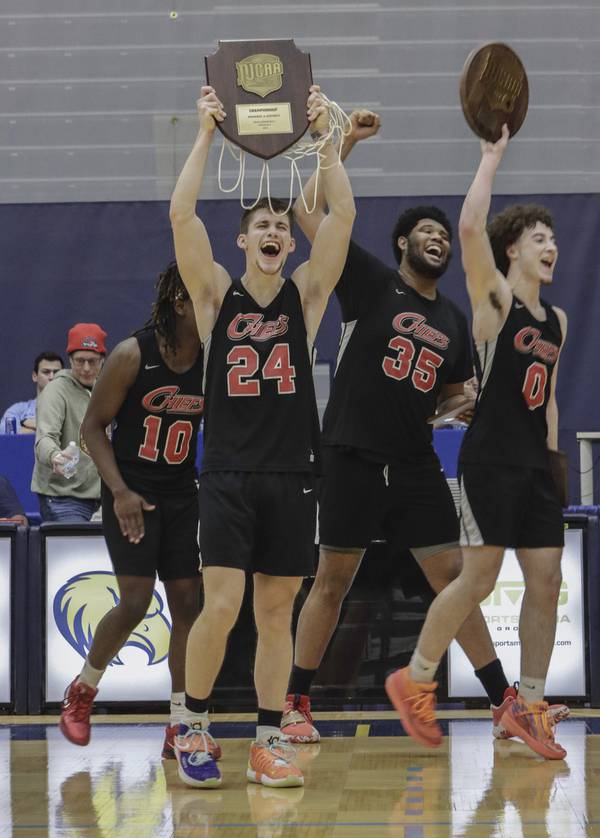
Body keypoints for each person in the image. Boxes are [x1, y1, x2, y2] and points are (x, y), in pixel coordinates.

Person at [281, 109, 519, 745]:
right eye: (425, 231)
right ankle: (296, 703)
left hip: (414, 462)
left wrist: (457, 408)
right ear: (402, 246)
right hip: (352, 453)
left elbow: (448, 398)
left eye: (444, 233)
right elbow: (307, 213)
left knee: (453, 579)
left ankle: (504, 702)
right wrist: (343, 145)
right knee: (332, 580)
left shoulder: (454, 320)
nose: (437, 236)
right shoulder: (369, 281)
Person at [169, 84, 355, 789]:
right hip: (228, 474)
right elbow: (182, 213)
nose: (276, 230)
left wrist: (325, 140)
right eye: (263, 224)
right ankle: (192, 726)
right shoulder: (218, 296)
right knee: (221, 605)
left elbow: (341, 213)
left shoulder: (307, 299)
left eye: (282, 222)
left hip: (292, 474)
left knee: (276, 612)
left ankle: (269, 739)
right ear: (243, 241)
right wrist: (206, 134)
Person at [385, 125, 569, 760]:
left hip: (533, 467)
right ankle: (414, 677)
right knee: (477, 582)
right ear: (512, 251)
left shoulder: (558, 321)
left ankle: (530, 704)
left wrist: (555, 460)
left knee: (547, 583)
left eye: (553, 238)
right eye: (538, 239)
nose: (550, 246)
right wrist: (492, 158)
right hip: (489, 461)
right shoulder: (493, 304)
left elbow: (546, 397)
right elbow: (468, 230)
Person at [59, 264, 204, 760]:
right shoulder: (130, 354)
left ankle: (181, 725)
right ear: (181, 303)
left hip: (183, 491)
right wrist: (118, 490)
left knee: (189, 603)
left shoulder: (213, 356)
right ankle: (83, 689)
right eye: (206, 293)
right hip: (132, 490)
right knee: (137, 601)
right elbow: (93, 429)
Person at [31, 324, 106, 522]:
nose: (87, 368)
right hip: (61, 497)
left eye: (93, 361)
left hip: (101, 497)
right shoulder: (55, 391)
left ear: (103, 360)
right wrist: (54, 455)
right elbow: (44, 438)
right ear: (70, 360)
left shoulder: (106, 388)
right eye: (80, 361)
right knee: (76, 551)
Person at [1, 352, 63, 434]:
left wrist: (26, 423)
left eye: (56, 372)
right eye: (46, 372)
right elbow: (4, 431)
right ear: (35, 376)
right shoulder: (18, 410)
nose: (51, 377)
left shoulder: (72, 409)